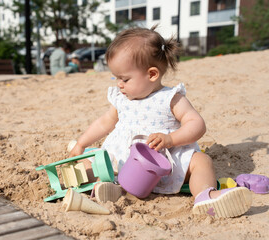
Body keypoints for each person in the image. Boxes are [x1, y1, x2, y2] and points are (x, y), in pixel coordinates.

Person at [68, 26, 252, 218]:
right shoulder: (122, 99)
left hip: (166, 160)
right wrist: (82, 142)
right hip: (123, 159)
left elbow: (196, 124)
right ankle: (103, 186)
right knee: (90, 162)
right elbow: (104, 122)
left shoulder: (170, 98)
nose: (119, 84)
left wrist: (171, 139)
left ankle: (205, 196)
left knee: (202, 161)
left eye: (125, 79)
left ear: (152, 74)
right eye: (116, 78)